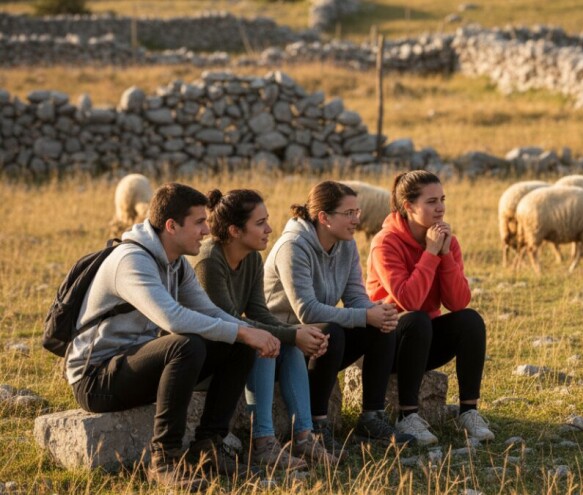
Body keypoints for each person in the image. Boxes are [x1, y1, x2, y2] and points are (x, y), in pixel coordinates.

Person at [66, 183, 281, 492]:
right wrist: (243, 330)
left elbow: (208, 311)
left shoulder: (176, 262)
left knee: (239, 347)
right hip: (95, 379)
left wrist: (250, 333)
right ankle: (164, 460)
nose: (207, 230)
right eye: (199, 222)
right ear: (171, 225)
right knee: (186, 344)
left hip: (133, 365)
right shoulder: (132, 260)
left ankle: (209, 446)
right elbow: (172, 318)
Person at [191, 189, 338, 470]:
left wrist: (297, 334)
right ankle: (263, 444)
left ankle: (305, 437)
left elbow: (258, 313)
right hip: (211, 361)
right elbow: (230, 320)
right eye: (260, 223)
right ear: (234, 230)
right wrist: (292, 333)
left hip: (236, 349)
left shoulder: (252, 258)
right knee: (264, 344)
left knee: (288, 347)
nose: (269, 229)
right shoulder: (210, 260)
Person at [264, 181, 414, 448]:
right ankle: (318, 426)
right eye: (349, 213)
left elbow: (355, 297)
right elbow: (306, 310)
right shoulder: (294, 246)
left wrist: (377, 312)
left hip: (315, 335)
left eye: (357, 212)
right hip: (283, 341)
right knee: (331, 332)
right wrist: (364, 317)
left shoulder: (346, 244)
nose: (357, 219)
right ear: (324, 217)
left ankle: (371, 418)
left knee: (382, 326)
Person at [366, 170, 493, 446]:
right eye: (431, 201)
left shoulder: (448, 241)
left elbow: (458, 302)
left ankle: (469, 412)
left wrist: (445, 254)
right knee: (416, 319)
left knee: (470, 320)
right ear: (409, 206)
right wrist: (430, 254)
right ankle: (408, 415)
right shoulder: (385, 243)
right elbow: (408, 301)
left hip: (422, 344)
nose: (440, 208)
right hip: (386, 344)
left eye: (442, 200)